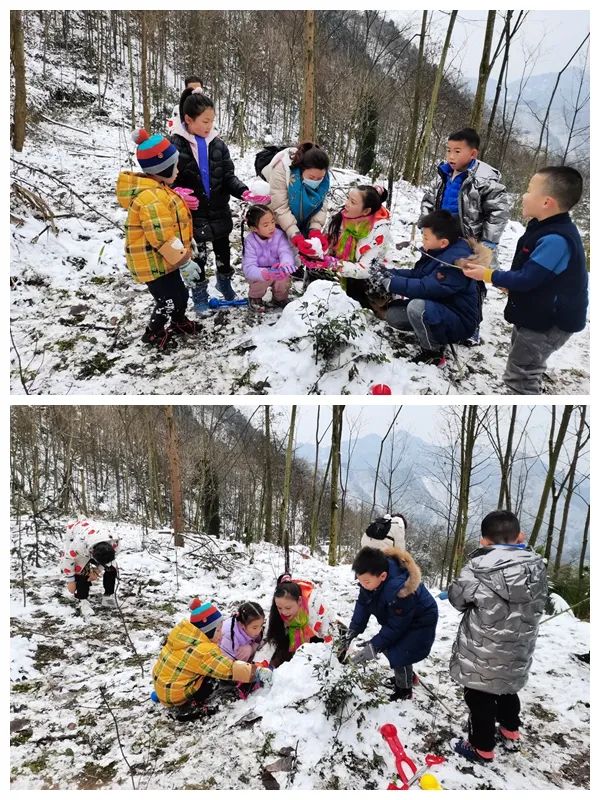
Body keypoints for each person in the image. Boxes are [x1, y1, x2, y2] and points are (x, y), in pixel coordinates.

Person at [460, 166, 588, 394]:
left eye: (529, 190)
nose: (523, 195)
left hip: (549, 323)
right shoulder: (544, 228)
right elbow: (538, 276)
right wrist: (505, 281)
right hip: (536, 314)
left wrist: (488, 275)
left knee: (521, 374)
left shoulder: (557, 239)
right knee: (523, 360)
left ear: (547, 202)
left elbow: (529, 278)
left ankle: (523, 393)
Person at [448, 510, 547, 764]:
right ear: (520, 537)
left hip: (483, 650)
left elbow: (457, 599)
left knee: (479, 696)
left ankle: (481, 747)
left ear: (484, 541)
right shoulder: (536, 568)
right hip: (519, 646)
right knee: (507, 689)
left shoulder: (476, 569)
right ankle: (510, 729)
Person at [420, 127, 509, 345]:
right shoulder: (442, 174)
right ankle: (440, 314)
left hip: (471, 242)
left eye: (457, 151)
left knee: (473, 283)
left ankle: (472, 325)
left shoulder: (485, 179)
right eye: (448, 150)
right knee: (439, 275)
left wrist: (486, 244)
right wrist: (427, 227)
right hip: (443, 238)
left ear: (473, 153)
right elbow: (428, 201)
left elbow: (498, 213)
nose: (451, 156)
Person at [116, 128, 199, 351]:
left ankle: (178, 321)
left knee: (180, 294)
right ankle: (154, 332)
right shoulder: (151, 199)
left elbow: (172, 226)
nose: (178, 169)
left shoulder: (159, 190)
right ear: (162, 168)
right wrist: (184, 261)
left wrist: (187, 246)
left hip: (165, 260)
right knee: (168, 300)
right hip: (153, 262)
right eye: (175, 165)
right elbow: (162, 238)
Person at [170, 89, 249, 311]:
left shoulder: (218, 144)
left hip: (219, 210)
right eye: (205, 121)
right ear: (188, 119)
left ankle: (225, 283)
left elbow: (227, 176)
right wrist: (179, 194)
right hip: (193, 215)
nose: (209, 126)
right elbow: (167, 181)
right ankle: (200, 295)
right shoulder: (175, 145)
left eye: (212, 121)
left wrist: (243, 191)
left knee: (224, 252)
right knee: (199, 258)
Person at [368, 210, 478, 366]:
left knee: (417, 307)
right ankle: (433, 331)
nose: (422, 240)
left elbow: (426, 287)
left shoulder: (454, 264)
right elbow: (418, 275)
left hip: (459, 320)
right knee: (394, 315)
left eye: (426, 237)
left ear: (443, 242)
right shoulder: (438, 252)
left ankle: (433, 352)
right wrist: (389, 273)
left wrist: (392, 283)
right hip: (440, 308)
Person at [152, 597, 272, 721]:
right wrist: (256, 671)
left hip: (164, 685)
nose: (221, 633)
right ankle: (190, 706)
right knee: (213, 679)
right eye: (219, 630)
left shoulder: (183, 637)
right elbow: (228, 668)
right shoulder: (203, 651)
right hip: (176, 696)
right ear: (208, 631)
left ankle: (165, 695)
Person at [344, 546, 438, 701]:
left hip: (420, 620)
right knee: (391, 647)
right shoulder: (370, 581)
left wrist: (374, 646)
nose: (362, 585)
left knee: (400, 653)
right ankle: (407, 677)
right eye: (359, 580)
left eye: (366, 581)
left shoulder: (400, 591)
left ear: (382, 576)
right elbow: (363, 605)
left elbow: (396, 628)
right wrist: (353, 630)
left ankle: (404, 690)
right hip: (400, 618)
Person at [261, 142, 331, 269]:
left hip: (302, 219)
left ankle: (294, 267)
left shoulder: (324, 177)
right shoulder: (283, 170)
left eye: (319, 178)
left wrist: (315, 229)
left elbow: (321, 204)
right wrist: (295, 235)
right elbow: (280, 207)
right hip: (278, 218)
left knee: (298, 254)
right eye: (311, 177)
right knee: (278, 253)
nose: (316, 181)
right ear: (301, 169)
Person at [320, 184, 391, 306]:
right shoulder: (339, 218)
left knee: (372, 287)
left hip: (361, 275)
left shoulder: (378, 232)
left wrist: (336, 264)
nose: (346, 203)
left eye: (352, 202)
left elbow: (367, 269)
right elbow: (325, 245)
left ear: (366, 211)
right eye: (347, 198)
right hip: (338, 269)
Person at [266, 574, 332, 667]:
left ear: (300, 601)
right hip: (291, 636)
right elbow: (270, 640)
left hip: (316, 636)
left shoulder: (315, 606)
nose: (284, 612)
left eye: (288, 608)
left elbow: (329, 636)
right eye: (279, 608)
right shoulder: (277, 610)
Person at [59, 519, 120, 618]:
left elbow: (109, 561)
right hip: (78, 535)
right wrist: (71, 580)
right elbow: (68, 559)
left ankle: (108, 596)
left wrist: (97, 571)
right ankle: (82, 600)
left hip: (96, 535)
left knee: (111, 568)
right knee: (82, 570)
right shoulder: (78, 546)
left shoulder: (115, 543)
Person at [242, 205, 296, 312]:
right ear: (254, 228)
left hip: (277, 269)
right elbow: (248, 267)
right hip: (260, 272)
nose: (271, 227)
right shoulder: (250, 242)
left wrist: (286, 263)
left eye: (272, 222)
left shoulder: (279, 235)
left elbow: (285, 251)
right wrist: (263, 273)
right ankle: (255, 298)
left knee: (283, 278)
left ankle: (280, 298)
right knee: (260, 281)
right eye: (266, 225)